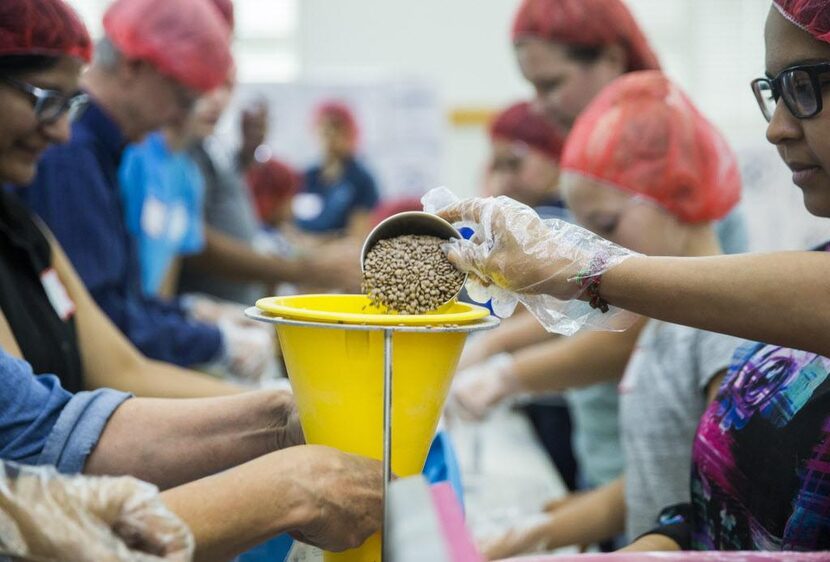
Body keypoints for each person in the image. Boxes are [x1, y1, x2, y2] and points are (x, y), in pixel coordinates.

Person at [434, 0, 830, 550]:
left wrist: (580, 277)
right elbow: (697, 502)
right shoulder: (686, 319)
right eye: (774, 94)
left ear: (681, 197)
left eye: (806, 87)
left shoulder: (723, 326)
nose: (777, 129)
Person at [0, 3, 383, 557]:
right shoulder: (70, 165)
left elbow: (71, 405)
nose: (61, 130)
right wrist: (286, 487)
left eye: (70, 103)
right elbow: (30, 450)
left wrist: (282, 417)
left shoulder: (23, 226)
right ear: (136, 67)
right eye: (44, 101)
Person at [470, 71, 746, 559]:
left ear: (679, 193)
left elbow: (724, 505)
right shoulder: (658, 321)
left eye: (606, 226)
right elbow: (651, 485)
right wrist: (539, 530)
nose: (600, 251)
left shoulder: (723, 331)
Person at [294, 101, 380, 236]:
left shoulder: (361, 180)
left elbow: (359, 235)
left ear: (350, 132)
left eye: (337, 128)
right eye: (324, 128)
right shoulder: (306, 176)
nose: (330, 135)